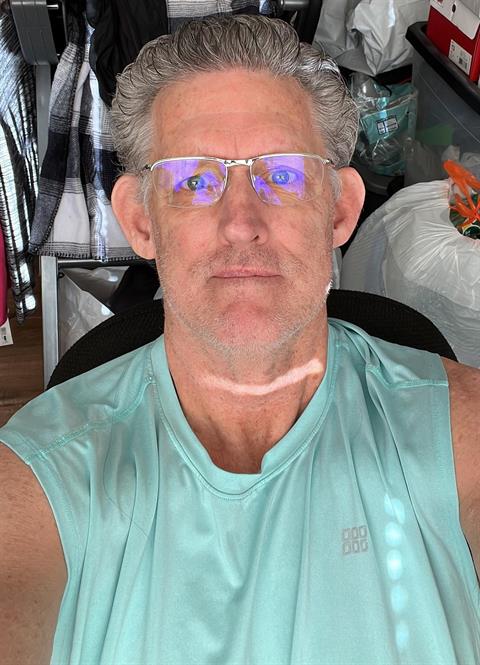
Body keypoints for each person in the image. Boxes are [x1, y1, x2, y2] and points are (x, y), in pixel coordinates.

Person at [1, 14, 479, 665]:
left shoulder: (460, 434)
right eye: (195, 181)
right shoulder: (36, 478)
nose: (240, 222)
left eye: (282, 175)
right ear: (141, 221)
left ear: (339, 209)